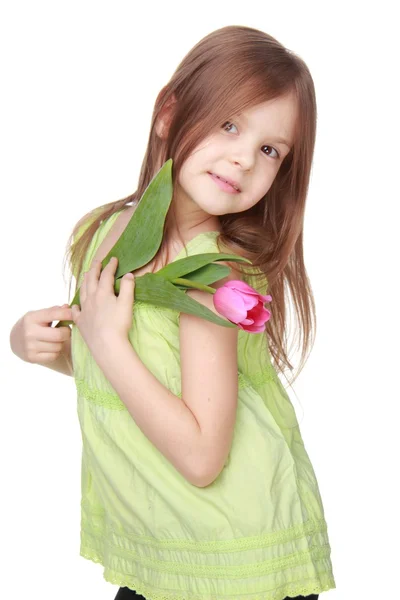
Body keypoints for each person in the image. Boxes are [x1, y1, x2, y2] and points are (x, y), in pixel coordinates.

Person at [9, 25, 336, 600]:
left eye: (269, 150)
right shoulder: (106, 232)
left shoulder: (213, 275)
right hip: (166, 544)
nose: (242, 158)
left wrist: (105, 343)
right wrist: (60, 349)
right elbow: (146, 372)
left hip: (228, 556)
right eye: (229, 124)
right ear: (169, 113)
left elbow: (203, 454)